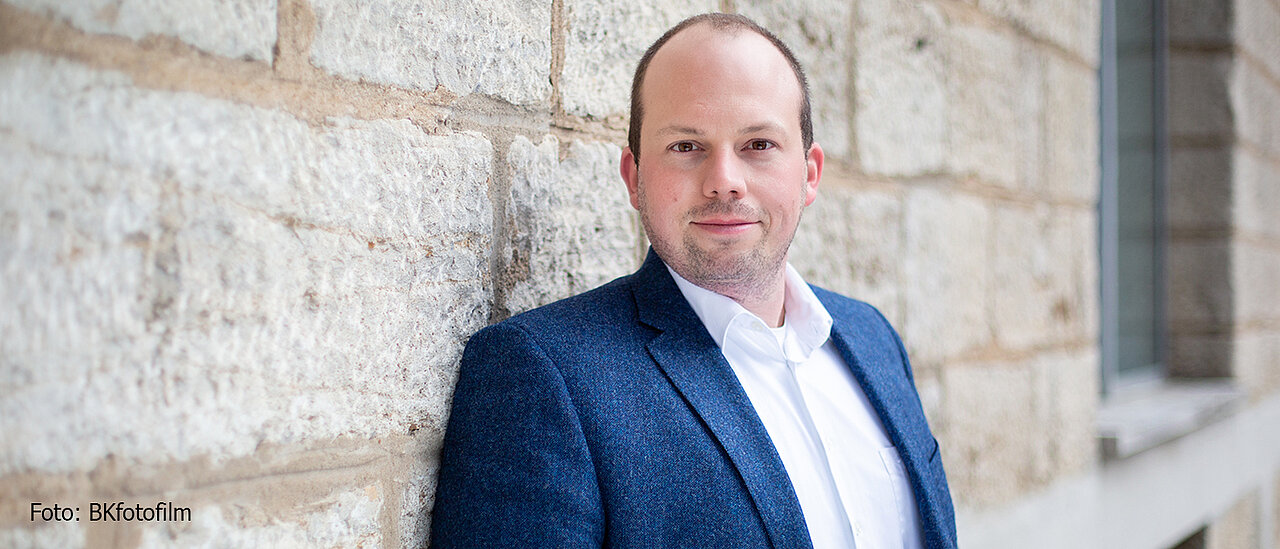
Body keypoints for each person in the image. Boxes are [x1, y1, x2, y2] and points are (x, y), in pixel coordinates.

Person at [430, 12, 956, 549]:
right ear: (634, 177)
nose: (724, 182)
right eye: (686, 146)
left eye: (758, 144)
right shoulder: (543, 375)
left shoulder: (872, 338)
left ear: (810, 174)